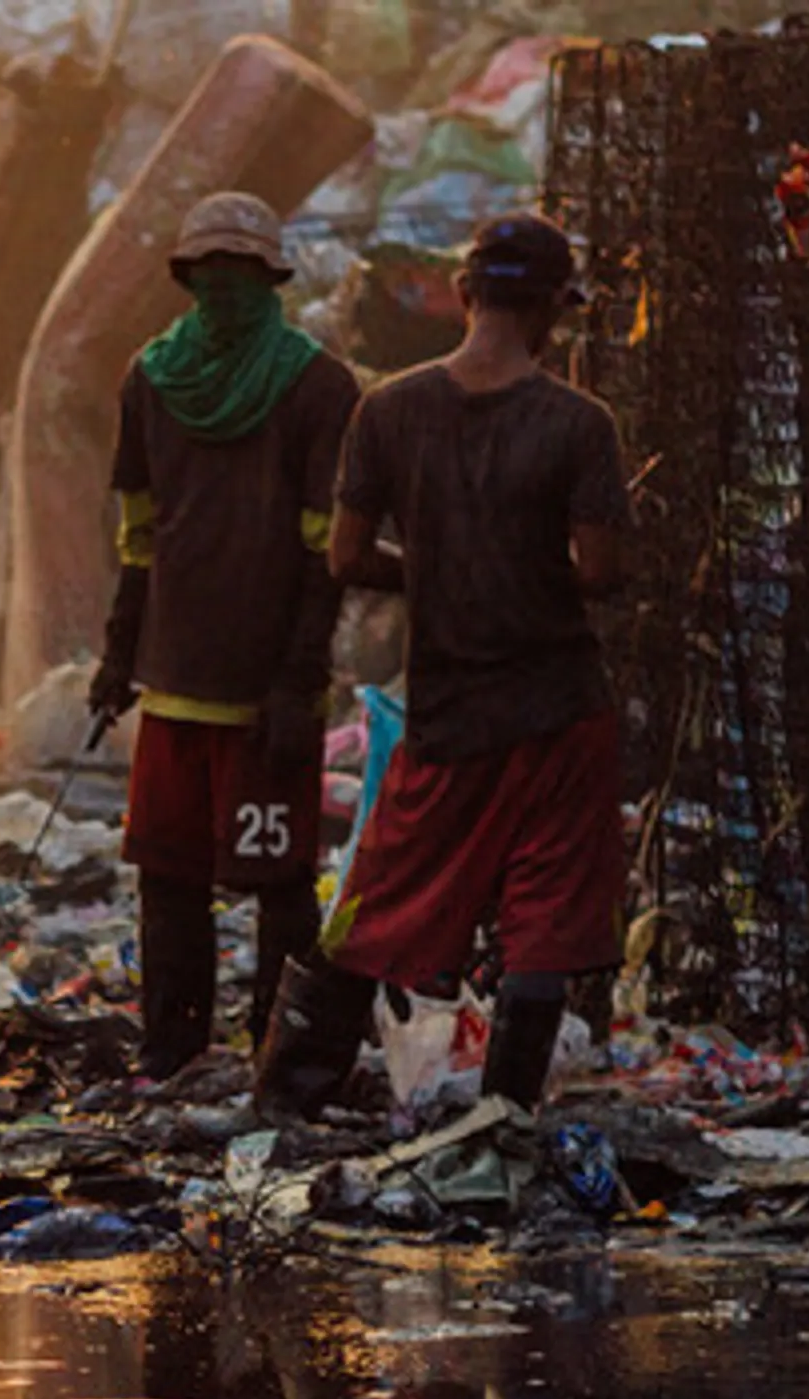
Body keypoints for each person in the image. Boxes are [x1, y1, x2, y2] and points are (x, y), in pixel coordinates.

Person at [255, 215, 632, 1117]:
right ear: (552, 312)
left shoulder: (387, 410)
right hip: (557, 712)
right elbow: (604, 574)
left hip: (446, 714)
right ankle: (503, 1120)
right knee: (543, 919)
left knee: (378, 901)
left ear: (465, 296)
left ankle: (283, 1099)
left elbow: (346, 559)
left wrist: (431, 568)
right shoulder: (580, 424)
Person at [94, 194, 360, 1082]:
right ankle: (172, 1049)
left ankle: (275, 1053)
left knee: (279, 880)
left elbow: (328, 548)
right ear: (187, 280)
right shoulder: (151, 378)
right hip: (172, 681)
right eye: (210, 276)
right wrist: (117, 657)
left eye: (239, 276)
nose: (224, 292)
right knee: (166, 876)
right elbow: (139, 534)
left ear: (270, 279)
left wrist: (299, 679)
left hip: (265, 694)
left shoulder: (320, 387)